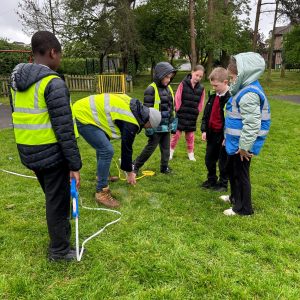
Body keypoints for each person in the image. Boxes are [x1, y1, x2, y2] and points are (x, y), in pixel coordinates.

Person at [9, 31, 82, 261]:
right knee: (57, 202)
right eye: (59, 54)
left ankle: (61, 240)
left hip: (30, 152)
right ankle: (59, 251)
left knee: (53, 197)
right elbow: (64, 130)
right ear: (52, 52)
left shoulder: (16, 82)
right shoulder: (53, 83)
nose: (60, 59)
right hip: (51, 155)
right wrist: (74, 165)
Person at [73, 93, 161, 208]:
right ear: (148, 122)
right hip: (83, 115)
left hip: (84, 110)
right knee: (106, 150)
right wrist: (130, 173)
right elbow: (126, 148)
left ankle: (102, 176)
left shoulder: (135, 108)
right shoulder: (132, 122)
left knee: (104, 147)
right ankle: (101, 192)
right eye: (149, 127)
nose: (147, 129)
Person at [221, 52, 271, 216]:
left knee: (240, 174)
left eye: (233, 76)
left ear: (244, 74)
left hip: (243, 145)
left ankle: (244, 208)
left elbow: (252, 124)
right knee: (232, 170)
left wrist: (244, 147)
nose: (232, 79)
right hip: (236, 141)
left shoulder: (249, 94)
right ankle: (235, 198)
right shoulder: (244, 89)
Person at [133, 62, 176, 175]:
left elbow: (171, 108)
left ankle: (164, 167)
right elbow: (146, 111)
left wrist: (173, 123)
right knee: (150, 148)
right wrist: (149, 128)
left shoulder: (169, 88)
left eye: (170, 77)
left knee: (166, 149)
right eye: (166, 77)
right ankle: (135, 165)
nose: (168, 79)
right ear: (160, 75)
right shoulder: (150, 89)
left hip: (166, 125)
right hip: (155, 125)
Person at [200, 67, 231, 192]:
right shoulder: (213, 95)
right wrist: (204, 130)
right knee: (209, 159)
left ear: (225, 82)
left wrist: (227, 136)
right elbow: (206, 114)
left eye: (216, 85)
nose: (214, 88)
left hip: (223, 135)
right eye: (212, 85)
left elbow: (231, 120)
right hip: (211, 133)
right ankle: (211, 179)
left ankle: (223, 184)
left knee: (223, 161)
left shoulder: (230, 98)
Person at [170, 65, 205, 161]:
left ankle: (190, 153)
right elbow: (177, 97)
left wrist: (197, 111)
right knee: (176, 135)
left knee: (190, 137)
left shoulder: (201, 88)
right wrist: (178, 109)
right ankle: (170, 152)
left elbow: (201, 102)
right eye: (197, 75)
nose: (198, 78)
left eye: (200, 76)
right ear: (192, 72)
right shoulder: (183, 83)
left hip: (192, 115)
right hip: (181, 114)